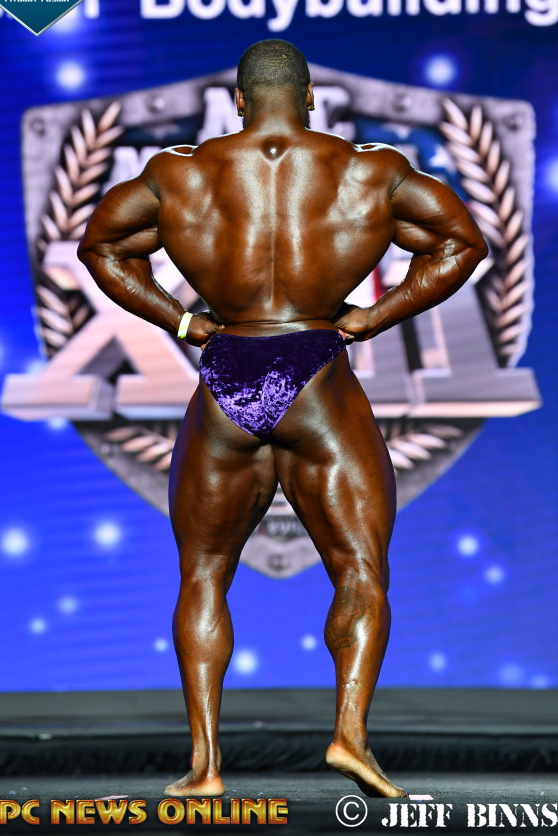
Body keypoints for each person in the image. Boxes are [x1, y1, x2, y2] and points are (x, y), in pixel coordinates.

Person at [77, 39, 488, 799]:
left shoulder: (179, 173)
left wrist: (182, 321)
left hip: (226, 370)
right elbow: (462, 243)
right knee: (359, 568)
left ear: (237, 101)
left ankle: (205, 767)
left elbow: (100, 247)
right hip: (318, 374)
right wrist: (374, 316)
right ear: (310, 99)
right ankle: (349, 737)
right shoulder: (368, 170)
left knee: (204, 573)